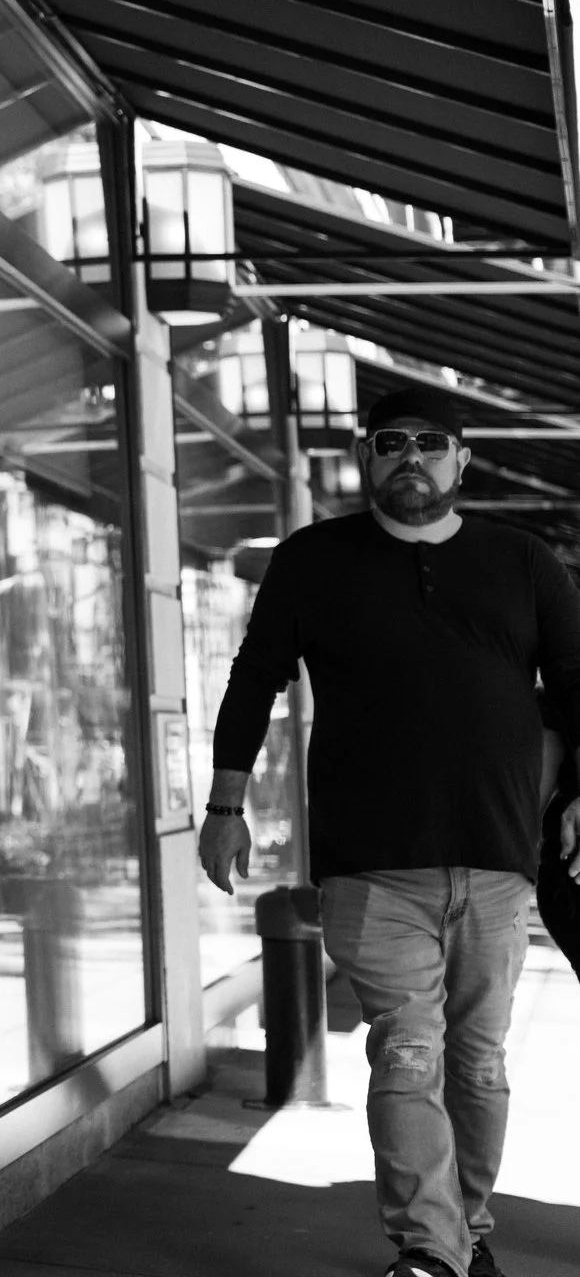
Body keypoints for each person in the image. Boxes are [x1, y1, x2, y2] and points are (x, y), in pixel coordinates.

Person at [202, 383, 580, 1277]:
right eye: (391, 442)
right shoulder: (313, 560)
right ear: (367, 456)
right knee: (409, 1056)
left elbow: (573, 687)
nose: (411, 456)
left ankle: (466, 1230)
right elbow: (254, 679)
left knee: (478, 1066)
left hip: (496, 860)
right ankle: (430, 1252)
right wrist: (225, 808)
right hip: (370, 865)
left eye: (431, 443)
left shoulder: (524, 561)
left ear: (462, 460)